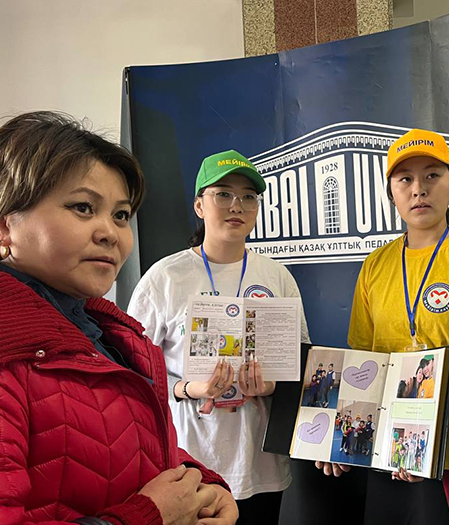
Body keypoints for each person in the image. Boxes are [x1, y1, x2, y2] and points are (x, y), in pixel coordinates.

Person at [0, 111, 237, 524]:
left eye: (120, 215)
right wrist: (149, 516)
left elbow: (127, 443)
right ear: (1, 225)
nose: (110, 232)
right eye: (83, 207)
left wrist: (200, 485)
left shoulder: (107, 335)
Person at [341, 129, 449, 525]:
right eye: (405, 179)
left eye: (432, 176)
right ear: (391, 193)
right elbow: (362, 361)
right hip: (388, 453)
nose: (418, 189)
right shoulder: (375, 266)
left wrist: (430, 428)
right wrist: (346, 435)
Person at [127, 149, 311, 525]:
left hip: (260, 466)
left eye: (248, 196)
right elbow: (131, 372)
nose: (236, 205)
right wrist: (188, 389)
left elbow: (301, 363)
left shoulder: (277, 277)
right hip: (189, 465)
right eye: (223, 194)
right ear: (199, 205)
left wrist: (272, 386)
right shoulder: (165, 278)